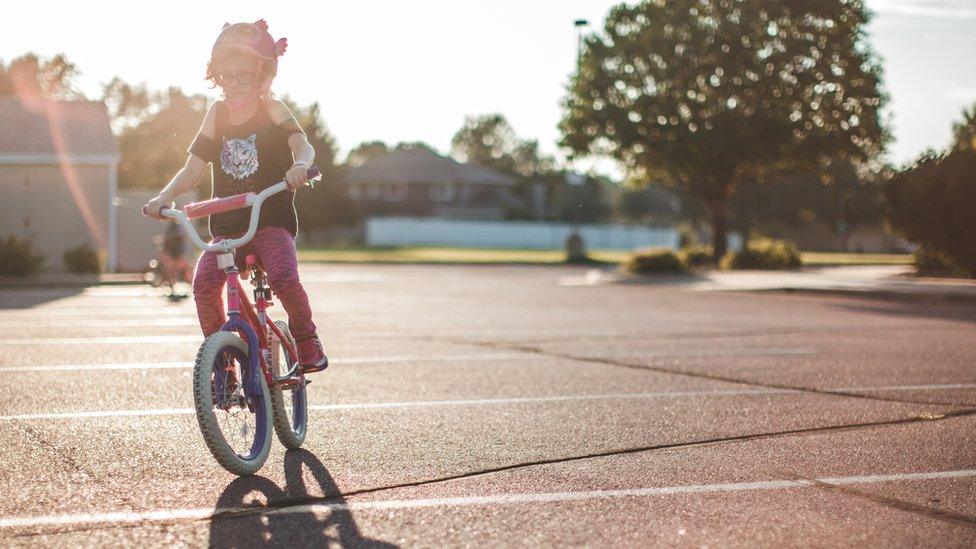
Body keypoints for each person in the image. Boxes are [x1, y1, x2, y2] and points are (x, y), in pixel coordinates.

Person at [144, 19, 328, 373]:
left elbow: (301, 145)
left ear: (262, 75)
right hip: (226, 227)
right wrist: (163, 197)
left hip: (269, 219)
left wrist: (301, 166)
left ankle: (306, 338)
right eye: (226, 76)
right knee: (203, 286)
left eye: (242, 75)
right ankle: (224, 364)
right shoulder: (217, 113)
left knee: (284, 277)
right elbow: (193, 168)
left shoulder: (272, 108)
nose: (233, 84)